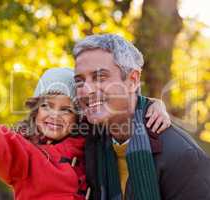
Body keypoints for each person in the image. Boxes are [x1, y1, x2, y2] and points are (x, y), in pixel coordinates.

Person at [0, 67, 170, 200]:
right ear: (35, 111)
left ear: (77, 117)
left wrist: (152, 104)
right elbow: (4, 142)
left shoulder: (90, 141)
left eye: (66, 109)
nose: (55, 115)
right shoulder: (27, 153)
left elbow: (118, 110)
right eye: (46, 106)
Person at [73, 34, 210, 200]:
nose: (86, 91)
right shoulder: (90, 141)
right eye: (79, 81)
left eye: (100, 77)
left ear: (132, 80)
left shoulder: (183, 157)